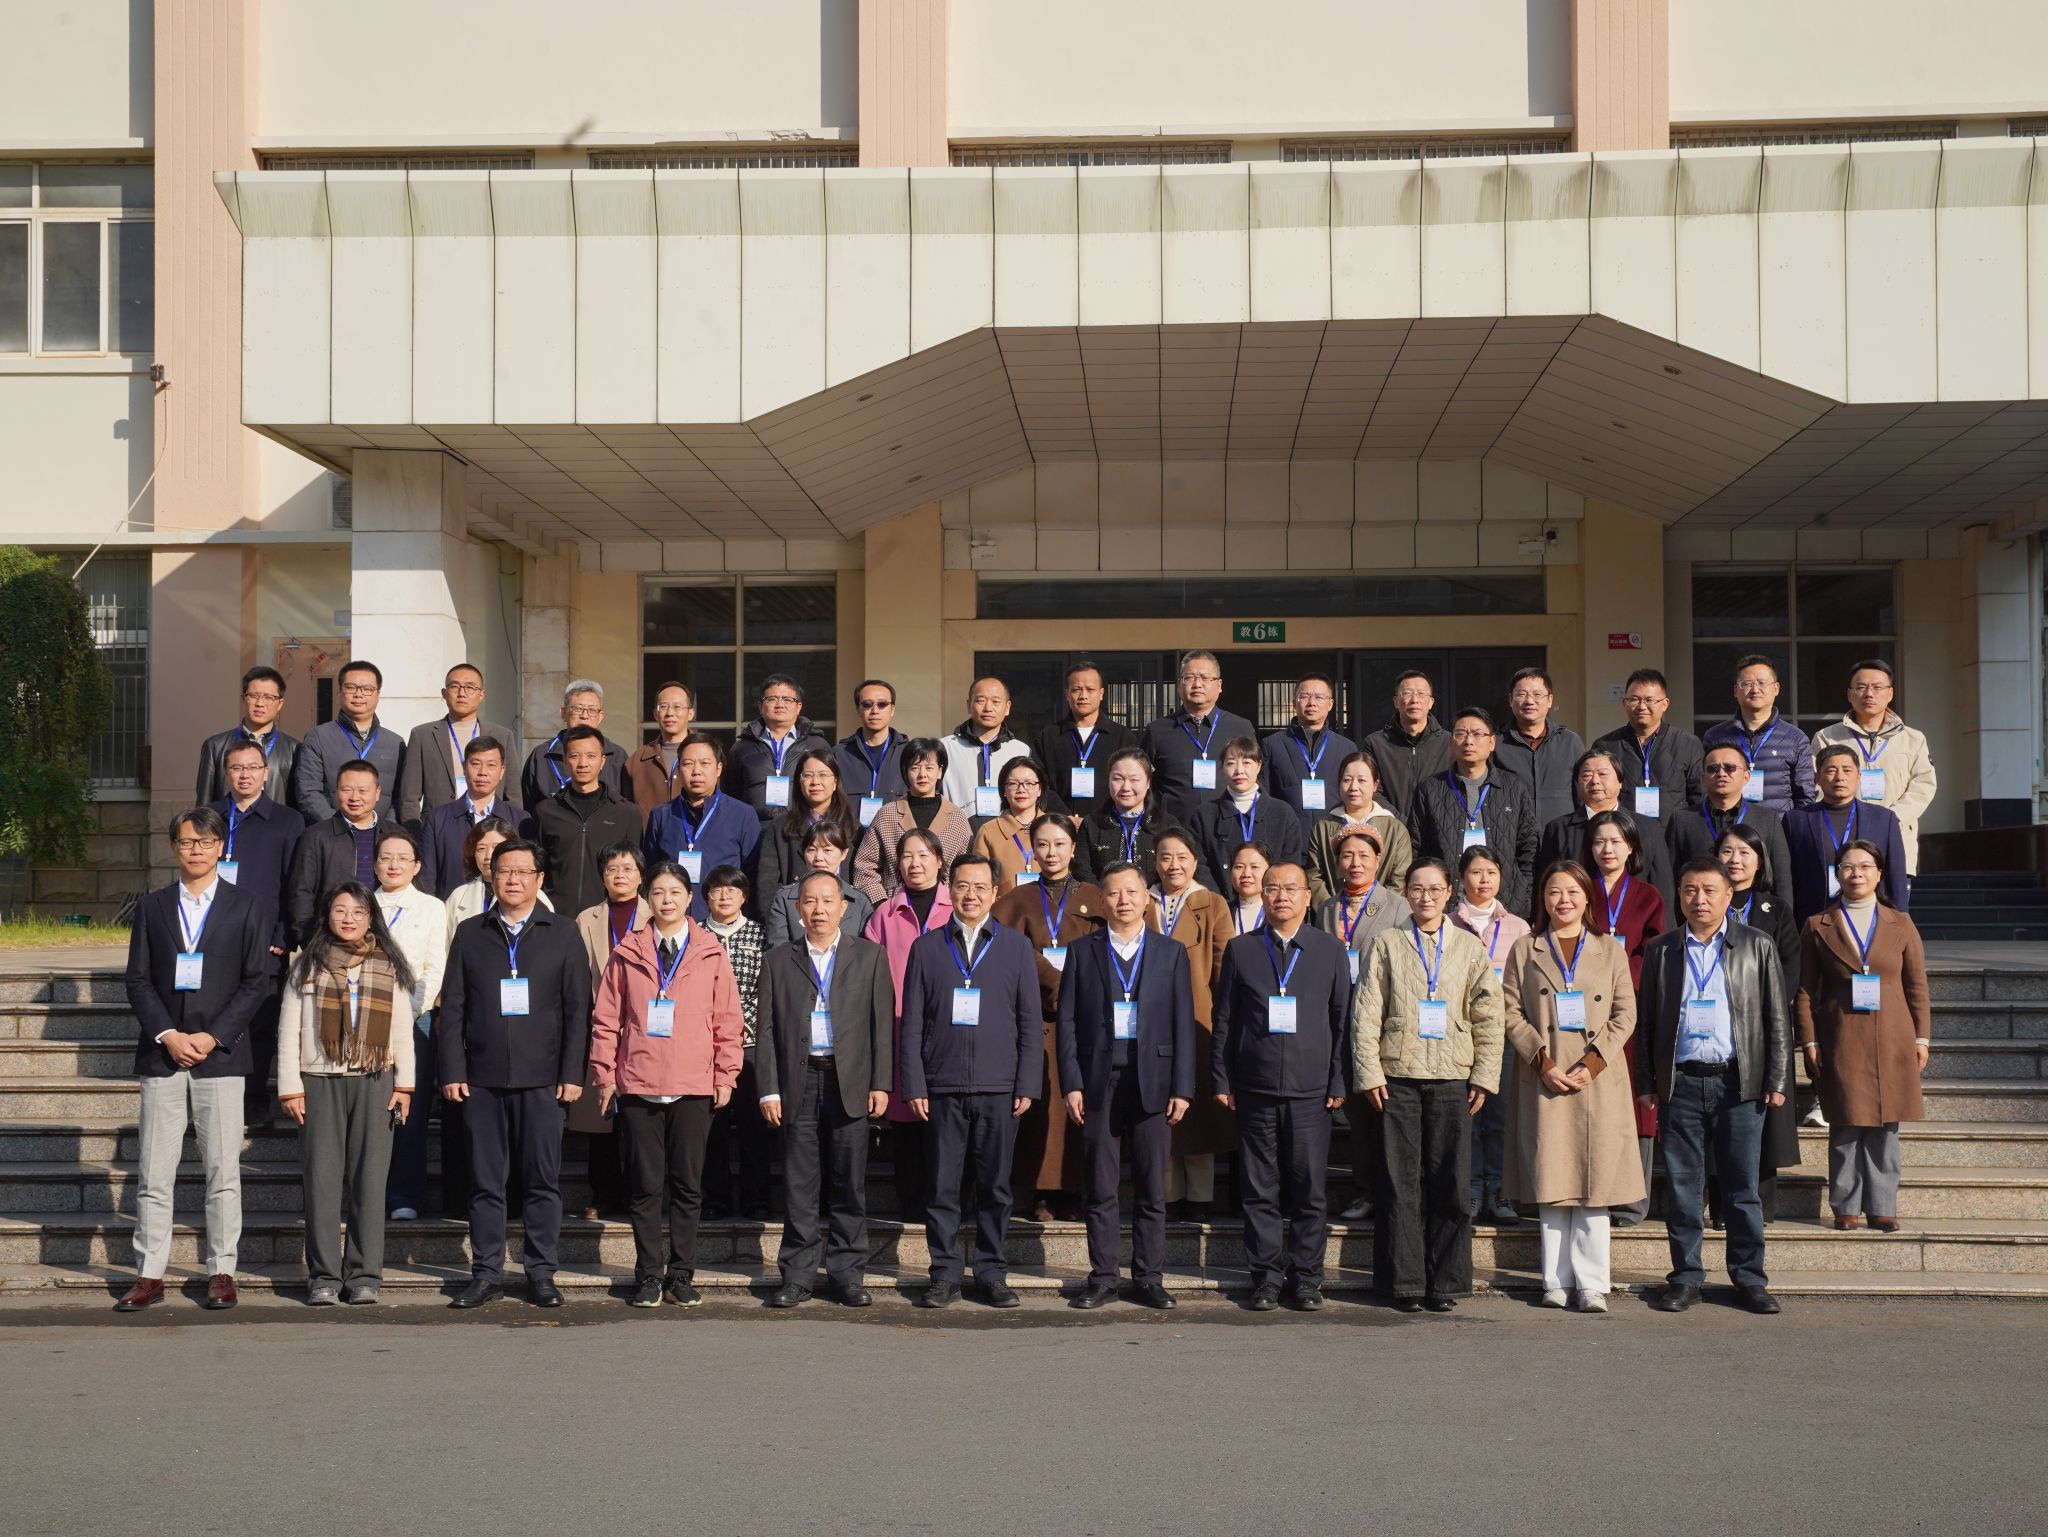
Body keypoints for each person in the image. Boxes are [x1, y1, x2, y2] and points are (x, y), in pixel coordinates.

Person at [115, 809, 272, 1313]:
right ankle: (149, 1273)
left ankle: (222, 1270)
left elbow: (257, 981)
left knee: (223, 1172)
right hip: (163, 1055)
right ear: (173, 847)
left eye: (205, 842)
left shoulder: (247, 905)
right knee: (153, 1173)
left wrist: (212, 1035)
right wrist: (168, 1034)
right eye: (186, 842)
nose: (196, 851)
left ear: (220, 847)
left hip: (220, 1056)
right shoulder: (153, 906)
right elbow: (138, 979)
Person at [437, 837, 591, 1309]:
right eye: (504, 871)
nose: (513, 880)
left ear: (539, 879)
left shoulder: (563, 932)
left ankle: (541, 1273)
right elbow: (453, 1007)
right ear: (491, 877)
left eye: (524, 872)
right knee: (486, 1182)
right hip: (481, 1079)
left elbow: (577, 1011)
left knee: (542, 1181)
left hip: (544, 1080)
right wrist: (453, 1068)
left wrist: (572, 1072)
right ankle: (486, 1273)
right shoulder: (471, 932)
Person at [1637, 858, 1791, 1315]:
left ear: (1728, 896)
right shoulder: (1663, 949)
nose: (1699, 899)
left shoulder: (1756, 945)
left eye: (1709, 891)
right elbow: (1647, 1023)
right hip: (1680, 1083)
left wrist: (1777, 1077)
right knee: (1684, 1189)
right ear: (1679, 895)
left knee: (1742, 1188)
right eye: (1690, 890)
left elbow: (1776, 1016)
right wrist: (1646, 1081)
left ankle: (1750, 1279)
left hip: (1737, 1084)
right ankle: (1686, 1278)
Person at [1353, 858, 1505, 1313]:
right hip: (1397, 1077)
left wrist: (1484, 1076)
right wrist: (1369, 1073)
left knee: (1451, 1183)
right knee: (1399, 1182)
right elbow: (1366, 1012)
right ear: (1406, 892)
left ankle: (1447, 1282)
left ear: (1449, 892)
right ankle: (1404, 1283)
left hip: (1452, 1076)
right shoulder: (1386, 943)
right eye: (1417, 889)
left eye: (1435, 889)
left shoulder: (1469, 946)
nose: (1426, 897)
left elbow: (1489, 1015)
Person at [590, 861, 744, 1307]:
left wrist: (726, 1073)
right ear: (648, 898)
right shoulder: (628, 951)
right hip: (639, 1081)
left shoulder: (710, 951)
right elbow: (606, 1019)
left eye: (675, 892)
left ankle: (681, 1274)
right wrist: (604, 1075)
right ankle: (648, 1275)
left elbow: (728, 1019)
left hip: (693, 1083)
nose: (667, 900)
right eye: (658, 892)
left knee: (688, 1184)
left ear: (689, 898)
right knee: (644, 1185)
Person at [898, 853, 1041, 1309]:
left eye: (980, 887)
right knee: (943, 1187)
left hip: (1000, 1087)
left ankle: (992, 1272)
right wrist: (915, 1084)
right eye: (962, 885)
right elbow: (912, 1024)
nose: (971, 895)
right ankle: (943, 1273)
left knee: (996, 1187)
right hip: (943, 1085)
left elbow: (1029, 1022)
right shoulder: (926, 948)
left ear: (995, 893)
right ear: (950, 889)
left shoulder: (1016, 947)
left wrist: (1027, 1083)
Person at [1499, 861, 1643, 1311]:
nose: (1563, 900)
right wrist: (1541, 1061)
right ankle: (1555, 1281)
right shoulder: (1525, 948)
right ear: (1543, 899)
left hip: (1596, 1078)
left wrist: (1594, 1061)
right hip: (1545, 1075)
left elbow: (1625, 1013)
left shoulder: (1609, 949)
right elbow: (1509, 1010)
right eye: (1554, 892)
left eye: (1572, 892)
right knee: (1553, 1180)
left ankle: (1593, 1283)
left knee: (1595, 1183)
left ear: (1587, 898)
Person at [1214, 859, 1351, 1312]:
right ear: (1262, 895)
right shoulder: (1242, 949)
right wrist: (1222, 1077)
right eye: (1272, 888)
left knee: (1309, 1189)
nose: (1281, 896)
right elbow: (1225, 1019)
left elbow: (1341, 1021)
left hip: (1311, 1090)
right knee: (1259, 1190)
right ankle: (1267, 1278)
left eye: (1291, 888)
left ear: (1308, 897)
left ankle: (1307, 1277)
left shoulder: (1329, 950)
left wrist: (1338, 1078)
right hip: (1254, 1086)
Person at [1057, 861, 1195, 1310]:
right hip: (1099, 1081)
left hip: (1154, 1081)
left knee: (1152, 1187)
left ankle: (1149, 1278)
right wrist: (1071, 1083)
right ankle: (1103, 1278)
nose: (1123, 901)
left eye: (1132, 892)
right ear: (1102, 900)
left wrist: (1182, 1087)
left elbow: (1183, 1024)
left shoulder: (1171, 952)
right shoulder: (1082, 951)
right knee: (1100, 1187)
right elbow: (1067, 1023)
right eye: (1114, 893)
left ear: (1146, 899)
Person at [758, 872, 895, 1308]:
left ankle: (847, 1275)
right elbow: (765, 1032)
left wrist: (881, 1082)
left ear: (844, 907)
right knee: (799, 1183)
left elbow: (882, 1026)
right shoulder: (778, 960)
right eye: (810, 901)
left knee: (848, 1182)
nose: (819, 909)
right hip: (799, 1081)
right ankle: (797, 1276)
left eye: (827, 900)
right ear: (798, 909)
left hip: (849, 1080)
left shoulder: (870, 956)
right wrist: (768, 1090)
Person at [277, 883, 416, 1306]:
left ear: (371, 917)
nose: (349, 919)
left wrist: (404, 1085)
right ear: (327, 916)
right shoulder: (306, 964)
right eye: (340, 910)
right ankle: (323, 1275)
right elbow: (287, 1029)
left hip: (375, 1080)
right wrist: (290, 1086)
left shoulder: (389, 963)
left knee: (369, 1181)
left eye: (358, 911)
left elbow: (402, 1030)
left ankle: (364, 1275)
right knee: (321, 1181)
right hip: (319, 1081)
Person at [1798, 839, 1931, 1234]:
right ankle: (1846, 1206)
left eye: (1865, 866)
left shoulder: (1900, 923)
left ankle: (1883, 1206)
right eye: (1847, 867)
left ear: (1879, 874)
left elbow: (1917, 985)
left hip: (1893, 1037)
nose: (1856, 873)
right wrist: (1810, 1041)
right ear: (1837, 875)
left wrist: (1922, 1038)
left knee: (1886, 1125)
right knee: (1844, 1123)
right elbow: (1805, 991)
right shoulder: (1817, 925)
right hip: (1840, 1036)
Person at [992, 814, 1104, 1223]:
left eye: (1059, 844)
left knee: (1081, 1101)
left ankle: (1076, 1189)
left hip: (1086, 1018)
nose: (1051, 853)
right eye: (1042, 845)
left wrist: (1074, 988)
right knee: (1042, 1106)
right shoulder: (1016, 900)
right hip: (1036, 1017)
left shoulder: (1095, 896)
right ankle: (1040, 1191)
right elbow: (1010, 951)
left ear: (1073, 849)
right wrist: (1056, 982)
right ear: (1032, 851)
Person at [1316, 826, 1412, 1223]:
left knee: (1385, 1111)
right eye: (1347, 856)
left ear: (1378, 860)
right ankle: (1364, 1190)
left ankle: (1393, 1193)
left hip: (1382, 1019)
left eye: (1364, 856)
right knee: (1356, 1114)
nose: (1355, 863)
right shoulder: (1327, 908)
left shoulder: (1397, 906)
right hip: (1339, 1016)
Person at [206, 738, 304, 1119]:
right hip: (214, 939)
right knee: (214, 1017)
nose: (244, 775)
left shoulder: (287, 821)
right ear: (226, 773)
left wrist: (284, 933)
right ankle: (215, 1101)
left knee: (260, 1022)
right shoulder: (209, 816)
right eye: (236, 768)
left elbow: (293, 883)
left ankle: (254, 1101)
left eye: (252, 768)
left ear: (266, 773)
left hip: (265, 940)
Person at [862, 828, 953, 1224]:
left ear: (939, 860)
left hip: (950, 1030)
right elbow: (870, 974)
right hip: (900, 1027)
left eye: (923, 855)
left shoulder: (956, 907)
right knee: (907, 1121)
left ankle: (946, 1202)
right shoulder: (884, 914)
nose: (915, 864)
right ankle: (912, 1202)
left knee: (947, 1122)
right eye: (907, 856)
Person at [1714, 822, 1800, 1222]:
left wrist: (1764, 1008)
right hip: (1714, 1027)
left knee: (1763, 1119)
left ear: (1759, 861)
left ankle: (1759, 1204)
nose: (1735, 860)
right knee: (1718, 1117)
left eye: (1745, 852)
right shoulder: (1706, 902)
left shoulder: (1775, 908)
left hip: (1763, 1029)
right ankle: (1719, 1204)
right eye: (1727, 851)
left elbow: (1790, 966)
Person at [1148, 825, 1233, 1221]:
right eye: (1165, 857)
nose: (1173, 865)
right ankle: (1167, 1196)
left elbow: (1223, 966)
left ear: (1195, 861)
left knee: (1197, 1112)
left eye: (1182, 857)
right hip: (1150, 1019)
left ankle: (1200, 1197)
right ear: (1155, 861)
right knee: (1160, 1107)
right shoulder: (1142, 899)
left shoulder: (1211, 903)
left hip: (1198, 1018)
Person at [370, 829, 450, 1224]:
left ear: (417, 866)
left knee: (409, 1111)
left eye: (403, 858)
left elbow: (435, 967)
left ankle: (405, 1192)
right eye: (386, 857)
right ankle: (369, 1192)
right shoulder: (360, 903)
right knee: (369, 1110)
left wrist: (408, 1013)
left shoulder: (432, 907)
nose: (394, 865)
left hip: (416, 1018)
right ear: (375, 864)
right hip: (364, 1018)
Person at [568, 843, 648, 1220]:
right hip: (599, 1023)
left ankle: (639, 1193)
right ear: (602, 875)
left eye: (627, 868)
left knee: (639, 1117)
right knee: (601, 1114)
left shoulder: (655, 913)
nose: (619, 875)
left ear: (640, 875)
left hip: (644, 1026)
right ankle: (602, 1194)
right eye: (612, 868)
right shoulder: (587, 918)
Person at [1451, 845, 1530, 1222]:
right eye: (1476, 872)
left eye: (1491, 872)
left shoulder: (1518, 927)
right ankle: (1470, 1188)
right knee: (1467, 1115)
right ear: (1461, 878)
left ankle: (1500, 1190)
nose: (1484, 880)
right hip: (1459, 1033)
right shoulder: (1448, 924)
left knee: (1500, 1117)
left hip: (1504, 1035)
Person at [1811, 659, 1938, 880]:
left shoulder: (1913, 739)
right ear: (1850, 694)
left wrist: (1890, 818)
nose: (1869, 694)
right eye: (1861, 687)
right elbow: (1816, 784)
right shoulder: (1827, 737)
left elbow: (1923, 785)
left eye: (1877, 687)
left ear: (1890, 694)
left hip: (1895, 837)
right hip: (1844, 839)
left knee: (1892, 902)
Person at [1411, 708, 1539, 918]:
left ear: (1492, 742)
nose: (1469, 741)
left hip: (1505, 907)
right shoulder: (1430, 789)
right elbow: (1417, 849)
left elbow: (1529, 850)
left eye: (1478, 734)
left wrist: (1522, 898)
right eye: (1460, 734)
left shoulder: (1514, 788)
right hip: (1446, 908)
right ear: (1451, 742)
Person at [698, 866, 772, 1222]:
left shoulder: (761, 934)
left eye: (732, 889)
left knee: (753, 1126)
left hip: (750, 1044)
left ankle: (757, 1197)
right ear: (706, 897)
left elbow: (767, 990)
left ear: (745, 896)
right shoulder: (695, 935)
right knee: (710, 1127)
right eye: (717, 889)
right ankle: (715, 1197)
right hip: (703, 1047)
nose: (724, 895)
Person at [1784, 744, 1910, 925]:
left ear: (1859, 777)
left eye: (1847, 770)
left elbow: (1895, 876)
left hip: (1871, 917)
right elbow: (1787, 876)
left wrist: (1900, 922)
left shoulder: (1884, 819)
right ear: (1817, 778)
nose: (1840, 777)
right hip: (1814, 916)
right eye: (1831, 770)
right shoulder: (1796, 820)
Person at [642, 732, 761, 919]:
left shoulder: (742, 814)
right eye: (688, 764)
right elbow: (651, 872)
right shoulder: (661, 815)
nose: (696, 771)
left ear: (719, 768)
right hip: (673, 921)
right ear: (678, 769)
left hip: (723, 921)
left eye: (705, 763)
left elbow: (753, 875)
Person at [1535, 747, 1674, 906]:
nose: (1595, 781)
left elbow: (1663, 887)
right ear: (1577, 783)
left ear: (1620, 781)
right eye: (1586, 775)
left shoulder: (1647, 828)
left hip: (1633, 915)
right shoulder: (1558, 829)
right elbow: (1545, 884)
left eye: (1602, 774)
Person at [286, 760, 404, 946]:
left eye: (363, 791)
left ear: (377, 793)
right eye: (346, 790)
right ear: (336, 792)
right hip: (330, 941)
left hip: (386, 938)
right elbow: (301, 892)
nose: (354, 797)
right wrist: (310, 940)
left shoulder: (395, 835)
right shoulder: (315, 836)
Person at [533, 724, 645, 919]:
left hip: (607, 918)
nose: (583, 763)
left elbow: (637, 871)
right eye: (575, 756)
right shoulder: (546, 812)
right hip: (556, 917)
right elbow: (537, 866)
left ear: (602, 761)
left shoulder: (626, 813)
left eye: (591, 756)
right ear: (565, 761)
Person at [1663, 742, 1794, 899]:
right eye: (1713, 769)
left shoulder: (1767, 819)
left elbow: (1782, 880)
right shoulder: (1682, 820)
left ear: (1746, 777)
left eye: (1730, 768)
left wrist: (1783, 914)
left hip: (1753, 910)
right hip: (1699, 908)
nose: (1721, 773)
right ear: (1703, 778)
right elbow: (1669, 880)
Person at [1141, 650, 1257, 824]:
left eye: (1205, 678)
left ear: (1219, 685)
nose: (1197, 684)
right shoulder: (1157, 730)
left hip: (1230, 825)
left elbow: (1256, 778)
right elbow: (1142, 779)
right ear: (1179, 684)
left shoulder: (1240, 728)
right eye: (1189, 678)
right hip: (1174, 828)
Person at [853, 736, 972, 903]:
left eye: (929, 768)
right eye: (915, 768)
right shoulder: (887, 815)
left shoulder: (957, 818)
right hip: (895, 906)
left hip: (944, 909)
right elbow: (864, 867)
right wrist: (882, 905)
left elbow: (966, 870)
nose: (922, 774)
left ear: (940, 771)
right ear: (905, 771)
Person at [398, 663, 516, 826]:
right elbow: (409, 797)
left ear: (481, 694)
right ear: (444, 693)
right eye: (454, 686)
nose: (462, 693)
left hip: (491, 827)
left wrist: (509, 833)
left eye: (470, 687)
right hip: (438, 828)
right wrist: (415, 834)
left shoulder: (502, 736)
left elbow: (513, 796)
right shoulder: (423, 735)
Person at [418, 736, 534, 901]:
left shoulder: (520, 820)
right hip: (452, 909)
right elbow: (427, 879)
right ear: (464, 767)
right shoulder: (437, 819)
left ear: (502, 771)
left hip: (504, 909)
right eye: (476, 764)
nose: (482, 772)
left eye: (491, 765)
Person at [1189, 736, 1308, 894]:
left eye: (1246, 762)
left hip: (1271, 902)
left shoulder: (1283, 813)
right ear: (1222, 767)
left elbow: (1290, 863)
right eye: (1231, 763)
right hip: (1220, 903)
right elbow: (1198, 863)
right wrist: (1218, 900)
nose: (1239, 770)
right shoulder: (1205, 815)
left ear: (1259, 766)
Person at [294, 659, 406, 823]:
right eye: (351, 687)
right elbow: (308, 791)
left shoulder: (396, 743)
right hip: (331, 832)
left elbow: (401, 797)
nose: (358, 694)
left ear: (377, 694)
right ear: (339, 691)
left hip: (381, 835)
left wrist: (384, 830)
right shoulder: (318, 737)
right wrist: (339, 828)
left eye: (367, 689)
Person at [1702, 655, 1815, 814]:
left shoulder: (1795, 738)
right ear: (1735, 690)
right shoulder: (1716, 736)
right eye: (1747, 683)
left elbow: (1805, 797)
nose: (1755, 690)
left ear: (1776, 688)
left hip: (1778, 826)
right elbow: (1704, 789)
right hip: (1729, 825)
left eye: (1762, 683)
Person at [1035, 659, 1139, 824]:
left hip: (1108, 825)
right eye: (1076, 689)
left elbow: (1133, 783)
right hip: (1060, 827)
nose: (1083, 696)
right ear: (1067, 694)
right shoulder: (1049, 736)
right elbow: (1039, 783)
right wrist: (1064, 817)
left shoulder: (1123, 737)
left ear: (1101, 694)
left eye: (1090, 689)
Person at [1305, 751, 1413, 907]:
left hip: (1381, 916)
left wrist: (1375, 912)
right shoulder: (1323, 828)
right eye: (1347, 780)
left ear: (1375, 785)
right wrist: (1332, 910)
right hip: (1334, 915)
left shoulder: (1395, 830)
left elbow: (1399, 880)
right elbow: (1314, 875)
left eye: (1362, 780)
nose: (1353, 787)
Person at [1594, 667, 1703, 819]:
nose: (1641, 706)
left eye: (1649, 700)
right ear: (1624, 703)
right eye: (1634, 699)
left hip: (1672, 830)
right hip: (1623, 830)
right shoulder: (1606, 746)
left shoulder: (1687, 744)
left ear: (1665, 704)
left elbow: (1699, 796)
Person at [754, 747, 856, 902]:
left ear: (835, 782)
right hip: (791, 913)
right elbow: (766, 886)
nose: (815, 782)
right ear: (799, 782)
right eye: (808, 775)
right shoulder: (779, 827)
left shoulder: (853, 828)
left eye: (823, 775)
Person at [1491, 665, 1586, 827]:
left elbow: (1582, 794)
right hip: (1513, 834)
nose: (1529, 701)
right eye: (1521, 694)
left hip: (1562, 833)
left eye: (1537, 694)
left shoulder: (1570, 742)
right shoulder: (1496, 743)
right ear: (1510, 700)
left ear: (1549, 700)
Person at [726, 673, 831, 820]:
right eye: (772, 699)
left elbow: (831, 791)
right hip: (756, 827)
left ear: (798, 707)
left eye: (787, 699)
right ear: (760, 706)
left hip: (803, 827)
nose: (780, 704)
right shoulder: (742, 748)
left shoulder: (817, 745)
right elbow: (731, 795)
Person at [1261, 672, 1359, 829]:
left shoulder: (1347, 748)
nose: (1312, 703)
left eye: (1319, 697)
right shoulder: (1272, 745)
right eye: (1305, 696)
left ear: (1330, 704)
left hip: (1335, 834)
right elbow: (1264, 796)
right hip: (1289, 834)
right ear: (1294, 703)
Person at [195, 664, 299, 808]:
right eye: (254, 696)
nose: (260, 703)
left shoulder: (294, 749)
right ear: (243, 698)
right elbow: (204, 804)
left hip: (276, 822)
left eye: (269, 697)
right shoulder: (215, 746)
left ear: (280, 703)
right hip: (228, 822)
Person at [520, 679, 628, 814]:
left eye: (592, 710)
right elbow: (528, 809)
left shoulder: (617, 756)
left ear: (600, 716)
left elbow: (625, 808)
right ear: (563, 713)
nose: (584, 716)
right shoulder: (542, 756)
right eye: (578, 709)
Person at [1361, 671, 1451, 824]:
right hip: (1392, 829)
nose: (1414, 700)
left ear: (1431, 702)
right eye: (1407, 693)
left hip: (1438, 828)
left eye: (1421, 694)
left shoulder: (1449, 742)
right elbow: (1373, 790)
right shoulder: (1376, 743)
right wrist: (1402, 823)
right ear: (1396, 701)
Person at [763, 823, 875, 946]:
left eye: (827, 850)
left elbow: (866, 951)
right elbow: (778, 949)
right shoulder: (784, 898)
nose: (818, 857)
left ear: (844, 853)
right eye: (811, 850)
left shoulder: (859, 901)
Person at [1073, 747, 1172, 883]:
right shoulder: (1092, 824)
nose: (1126, 787)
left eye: (1134, 780)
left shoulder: (1166, 824)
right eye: (1118, 779)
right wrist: (1106, 893)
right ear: (1108, 781)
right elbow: (1081, 869)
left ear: (1148, 782)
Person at [939, 676, 1033, 816]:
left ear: (1007, 707)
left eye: (996, 702)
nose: (988, 708)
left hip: (1007, 828)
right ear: (968, 705)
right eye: (980, 701)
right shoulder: (945, 748)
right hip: (956, 828)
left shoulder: (1021, 751)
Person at [443, 816, 554, 933]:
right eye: (481, 849)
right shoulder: (458, 896)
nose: (488, 856)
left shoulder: (536, 895)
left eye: (496, 847)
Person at [972, 754, 1062, 892]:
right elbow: (978, 881)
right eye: (1013, 783)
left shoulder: (1056, 828)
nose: (1021, 789)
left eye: (1029, 783)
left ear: (1040, 789)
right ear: (1004, 790)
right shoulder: (988, 831)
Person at [834, 678, 909, 828]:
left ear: (892, 709)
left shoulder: (909, 754)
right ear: (858, 710)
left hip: (896, 839)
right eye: (867, 704)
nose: (875, 711)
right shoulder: (839, 754)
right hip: (850, 839)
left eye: (882, 704)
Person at [624, 680, 699, 818]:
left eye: (677, 707)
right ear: (655, 714)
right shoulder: (638, 760)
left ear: (690, 713)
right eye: (663, 707)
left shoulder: (707, 755)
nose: (670, 713)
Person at [1226, 840, 1273, 936]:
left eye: (1254, 867)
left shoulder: (1278, 911)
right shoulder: (1221, 912)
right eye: (1239, 867)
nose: (1246, 874)